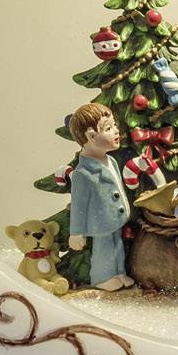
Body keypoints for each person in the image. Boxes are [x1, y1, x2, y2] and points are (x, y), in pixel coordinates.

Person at [63, 101, 136, 292]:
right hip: (100, 222)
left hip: (115, 219)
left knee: (117, 246)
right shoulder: (82, 173)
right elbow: (78, 205)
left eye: (114, 125)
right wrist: (77, 232)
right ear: (91, 136)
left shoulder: (110, 160)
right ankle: (102, 277)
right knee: (104, 249)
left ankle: (119, 272)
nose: (116, 131)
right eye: (108, 128)